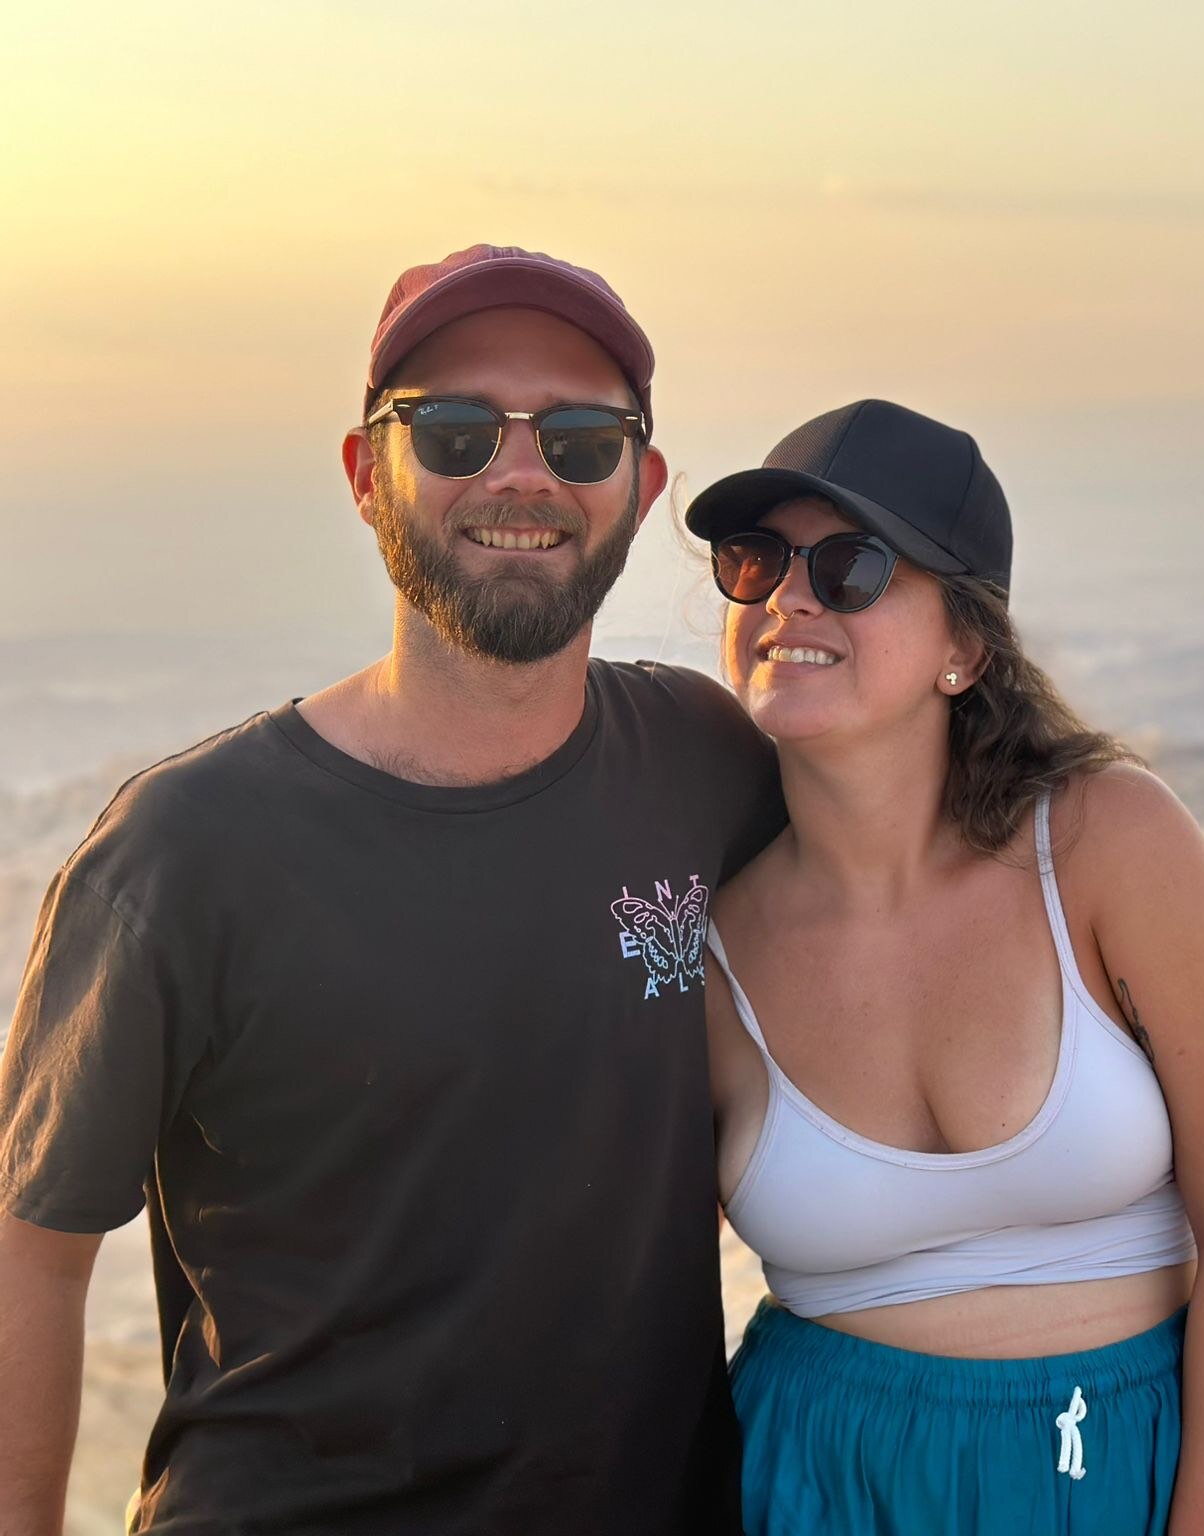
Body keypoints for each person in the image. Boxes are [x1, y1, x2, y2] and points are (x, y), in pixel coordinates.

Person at [0, 245, 782, 1533]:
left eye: (581, 440)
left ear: (641, 491)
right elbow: (31, 1249)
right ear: (369, 476)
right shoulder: (186, 851)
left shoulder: (701, 763)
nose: (522, 474)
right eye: (457, 431)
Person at [683, 400, 1204, 1535]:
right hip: (817, 1485)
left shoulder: (1106, 841)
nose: (790, 598)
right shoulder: (711, 945)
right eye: (757, 559)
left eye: (852, 567)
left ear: (963, 649)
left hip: (1112, 1468)